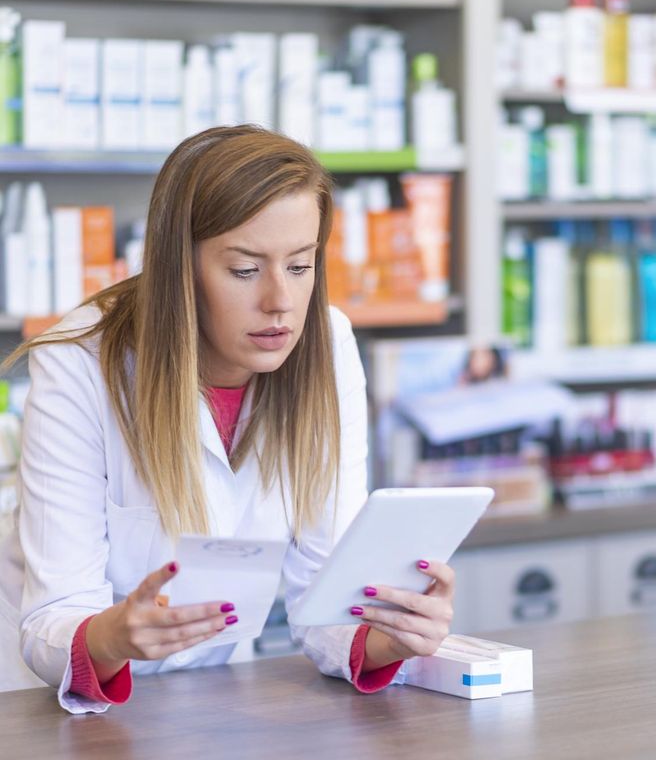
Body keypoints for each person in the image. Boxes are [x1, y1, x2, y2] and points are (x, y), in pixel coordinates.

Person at [0, 125, 455, 713]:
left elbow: (325, 598)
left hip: (207, 705)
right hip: (40, 708)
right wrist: (113, 635)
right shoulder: (80, 360)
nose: (280, 302)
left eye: (300, 265)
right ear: (178, 270)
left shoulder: (328, 343)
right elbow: (51, 617)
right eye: (245, 270)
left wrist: (385, 637)